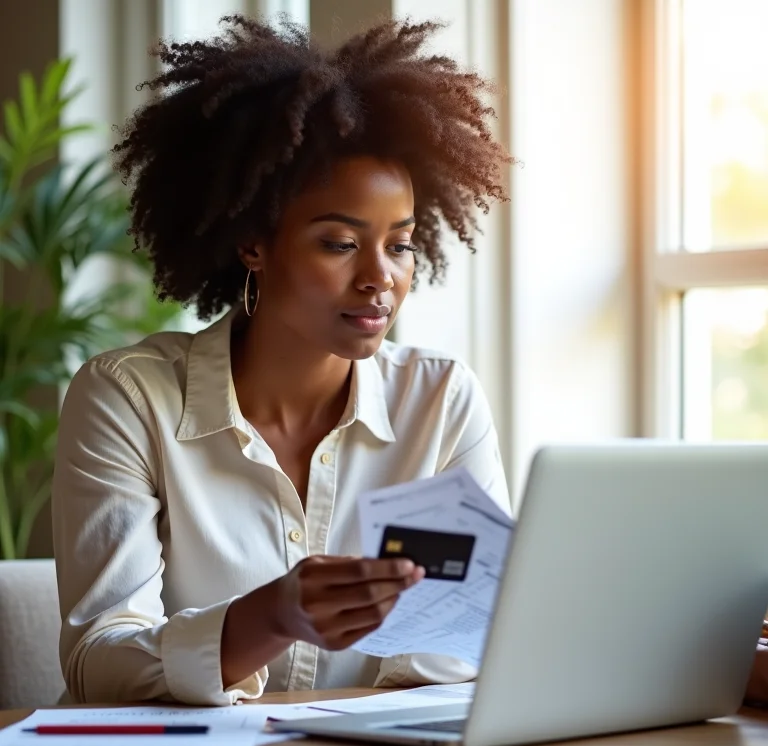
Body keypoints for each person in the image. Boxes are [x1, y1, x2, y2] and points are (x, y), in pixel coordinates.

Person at [51, 15, 512, 706]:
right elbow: (98, 663)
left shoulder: (440, 401)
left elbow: (458, 655)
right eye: (339, 243)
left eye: (402, 244)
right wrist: (269, 618)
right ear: (252, 244)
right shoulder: (130, 399)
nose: (380, 277)